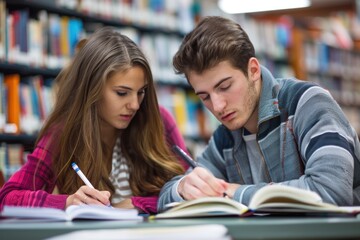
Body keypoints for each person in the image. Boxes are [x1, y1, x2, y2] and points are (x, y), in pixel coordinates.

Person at [158, 16, 360, 211]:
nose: (217, 106)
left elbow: (332, 192)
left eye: (225, 86)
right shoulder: (226, 138)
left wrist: (234, 193)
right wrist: (183, 188)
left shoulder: (308, 103)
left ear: (253, 70)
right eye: (204, 97)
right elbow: (165, 200)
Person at [0, 27, 188, 214]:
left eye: (141, 92)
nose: (135, 105)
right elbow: (6, 199)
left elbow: (188, 191)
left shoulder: (158, 120)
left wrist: (136, 204)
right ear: (92, 90)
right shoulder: (63, 133)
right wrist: (68, 202)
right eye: (122, 93)